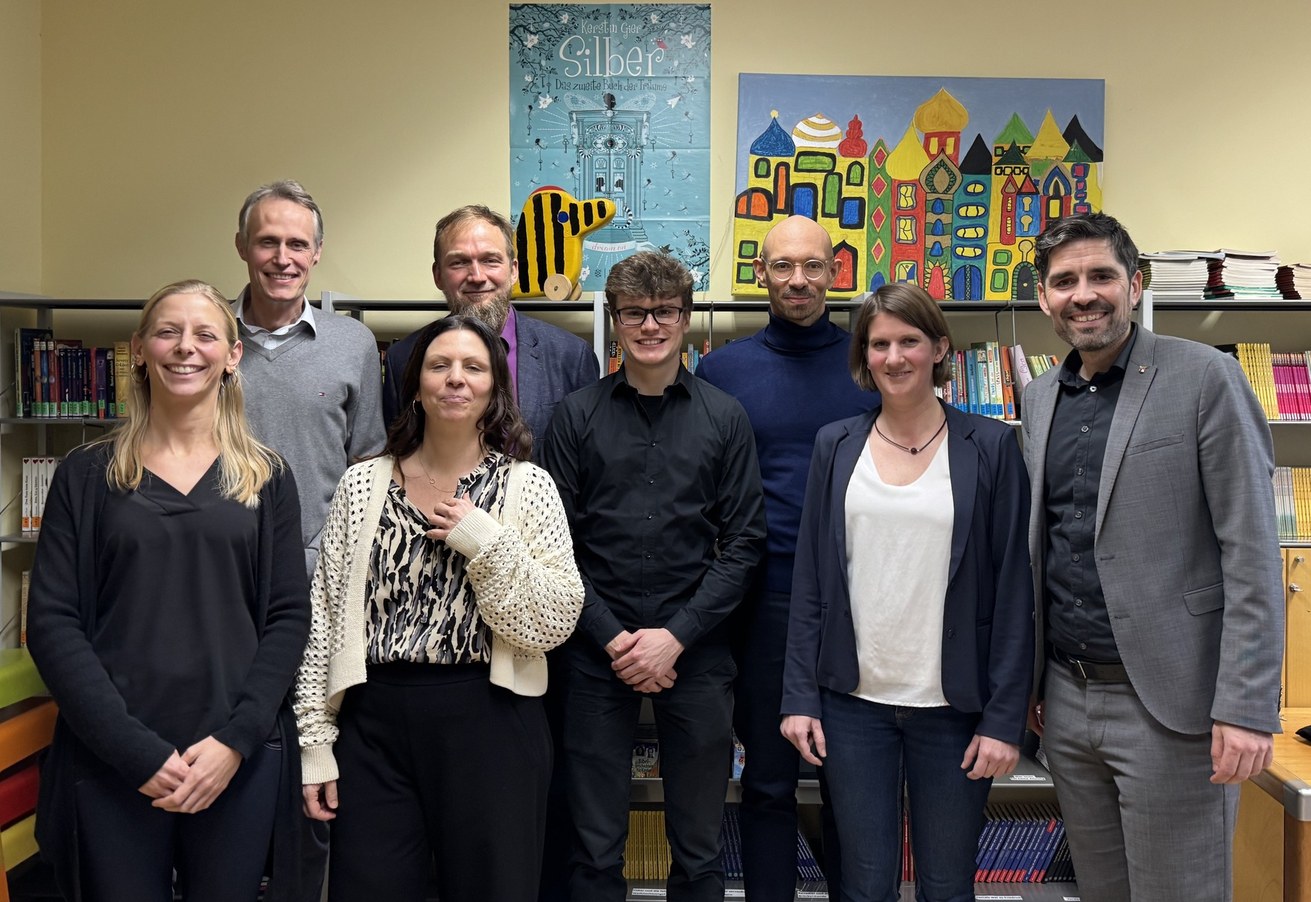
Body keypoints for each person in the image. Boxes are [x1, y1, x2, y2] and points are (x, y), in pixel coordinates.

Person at [1023, 212, 1284, 901]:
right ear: (1044, 297)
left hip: (1174, 705)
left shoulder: (1205, 377)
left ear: (1135, 285)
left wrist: (1246, 707)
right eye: (1064, 281)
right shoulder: (1040, 398)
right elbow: (1045, 547)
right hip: (1066, 701)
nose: (1083, 294)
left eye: (1101, 276)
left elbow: (1252, 552)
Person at [27, 280, 311, 902]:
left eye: (206, 335)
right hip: (113, 757)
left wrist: (235, 742)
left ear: (233, 355)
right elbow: (51, 622)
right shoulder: (85, 475)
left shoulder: (268, 477)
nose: (186, 348)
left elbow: (289, 617)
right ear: (139, 349)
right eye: (168, 332)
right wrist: (134, 753)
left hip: (234, 758)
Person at [294, 314, 584, 902]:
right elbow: (324, 617)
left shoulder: (529, 487)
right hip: (373, 723)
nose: (456, 378)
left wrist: (486, 541)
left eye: (473, 367)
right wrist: (316, 741)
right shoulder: (360, 485)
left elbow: (552, 622)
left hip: (492, 720)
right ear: (415, 385)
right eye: (439, 365)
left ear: (495, 388)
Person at [781, 282, 1034, 902]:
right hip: (852, 705)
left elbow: (1014, 592)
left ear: (939, 348)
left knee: (946, 885)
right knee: (865, 884)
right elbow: (810, 580)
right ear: (864, 357)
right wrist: (799, 698)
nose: (894, 357)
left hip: (954, 708)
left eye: (909, 341)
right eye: (879, 344)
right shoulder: (836, 445)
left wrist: (1005, 720)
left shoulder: (992, 446)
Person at [541, 250, 767, 902]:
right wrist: (615, 639)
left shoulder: (724, 416)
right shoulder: (575, 416)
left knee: (699, 847)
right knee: (592, 846)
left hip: (696, 651)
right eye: (634, 313)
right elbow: (554, 546)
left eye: (664, 311)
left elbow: (744, 543)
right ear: (614, 320)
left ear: (685, 318)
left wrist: (675, 637)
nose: (649, 326)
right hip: (593, 652)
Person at [695, 214, 876, 899]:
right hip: (763, 602)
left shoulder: (872, 360)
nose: (797, 280)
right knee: (768, 780)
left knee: (852, 783)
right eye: (781, 266)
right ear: (759, 273)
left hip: (861, 602)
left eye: (812, 266)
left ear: (835, 271)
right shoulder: (722, 370)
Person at [234, 179, 386, 575]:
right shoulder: (205, 339)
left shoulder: (354, 343)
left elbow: (368, 469)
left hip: (322, 571)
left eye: (298, 244)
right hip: (219, 564)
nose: (282, 258)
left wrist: (327, 553)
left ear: (316, 252)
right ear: (242, 246)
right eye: (267, 242)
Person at [381, 204, 599, 453]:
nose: (477, 276)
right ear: (438, 275)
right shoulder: (403, 358)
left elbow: (588, 459)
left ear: (513, 271)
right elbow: (399, 454)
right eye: (459, 262)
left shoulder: (571, 356)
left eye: (490, 261)